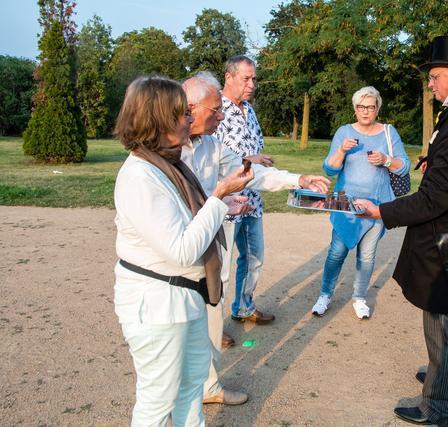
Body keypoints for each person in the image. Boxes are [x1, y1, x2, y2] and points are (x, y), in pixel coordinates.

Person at [355, 35, 448, 425]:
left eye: (435, 75)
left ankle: (439, 406)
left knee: (445, 319)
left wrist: (382, 211)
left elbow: (437, 198)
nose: (430, 82)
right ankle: (447, 376)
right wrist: (433, 160)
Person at [180, 71, 330, 405]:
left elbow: (250, 173)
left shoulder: (211, 144)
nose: (221, 116)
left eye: (222, 110)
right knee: (177, 339)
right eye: (215, 111)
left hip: (207, 246)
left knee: (211, 315)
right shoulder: (165, 149)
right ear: (190, 107)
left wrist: (298, 178)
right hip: (175, 257)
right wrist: (219, 199)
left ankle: (208, 387)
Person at [112, 76, 253, 426]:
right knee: (158, 403)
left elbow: (187, 220)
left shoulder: (167, 163)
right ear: (158, 120)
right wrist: (219, 198)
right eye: (181, 113)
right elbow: (182, 249)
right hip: (158, 306)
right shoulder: (141, 176)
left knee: (191, 388)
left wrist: (222, 204)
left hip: (184, 298)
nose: (189, 119)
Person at [311, 86, 409, 319]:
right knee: (336, 253)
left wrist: (386, 160)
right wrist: (343, 151)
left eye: (371, 107)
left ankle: (359, 298)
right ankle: (325, 295)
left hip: (377, 205)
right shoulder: (344, 132)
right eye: (361, 107)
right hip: (347, 204)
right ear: (355, 108)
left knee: (367, 255)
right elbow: (329, 169)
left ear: (377, 109)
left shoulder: (388, 131)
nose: (365, 111)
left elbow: (404, 166)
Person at [215, 55, 276, 324]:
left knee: (254, 258)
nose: (252, 84)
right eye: (246, 78)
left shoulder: (248, 109)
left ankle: (243, 307)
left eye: (254, 79)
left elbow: (255, 146)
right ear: (229, 77)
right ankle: (213, 325)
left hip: (253, 199)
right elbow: (211, 157)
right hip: (227, 202)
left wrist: (258, 159)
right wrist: (248, 160)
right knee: (221, 267)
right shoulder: (214, 108)